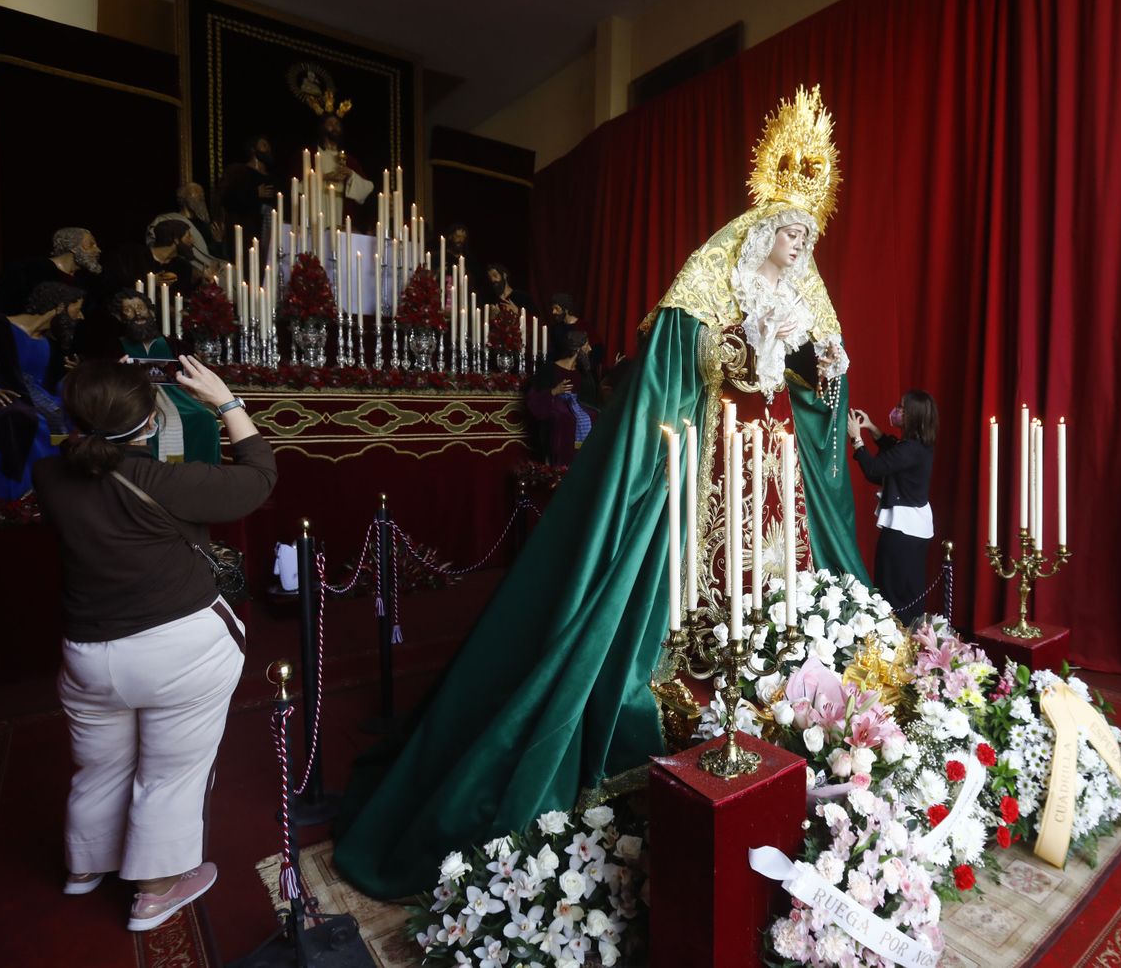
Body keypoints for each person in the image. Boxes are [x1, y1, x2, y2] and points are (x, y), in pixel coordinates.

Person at [334, 86, 867, 898]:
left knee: (780, 565)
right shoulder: (711, 278)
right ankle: (685, 681)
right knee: (681, 581)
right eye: (791, 231)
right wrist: (735, 348)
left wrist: (822, 373)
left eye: (807, 234)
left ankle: (784, 666)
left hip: (774, 462)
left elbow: (817, 379)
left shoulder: (806, 294)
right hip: (711, 459)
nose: (799, 246)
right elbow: (671, 372)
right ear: (764, 228)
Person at [32, 356, 274, 931]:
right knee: (169, 774)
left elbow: (91, 460)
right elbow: (260, 476)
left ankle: (86, 867)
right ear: (150, 421)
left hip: (89, 656)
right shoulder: (168, 481)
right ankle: (157, 889)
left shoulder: (49, 477)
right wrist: (225, 401)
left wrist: (106, 394)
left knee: (98, 767)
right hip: (177, 650)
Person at [0, 282, 83, 498]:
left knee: (79, 415)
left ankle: (62, 495)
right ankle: (12, 497)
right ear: (59, 308)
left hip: (38, 402)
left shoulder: (48, 345)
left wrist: (76, 376)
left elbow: (51, 386)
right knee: (23, 418)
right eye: (77, 310)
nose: (80, 318)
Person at [98, 289, 221, 464]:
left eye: (141, 307)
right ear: (119, 317)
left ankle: (200, 476)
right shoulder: (113, 347)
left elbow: (193, 374)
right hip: (136, 397)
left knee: (205, 418)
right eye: (128, 310)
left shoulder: (176, 345)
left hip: (179, 399)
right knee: (143, 421)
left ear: (151, 312)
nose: (137, 313)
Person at [848, 390, 937, 625]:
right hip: (913, 531)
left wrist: (857, 439)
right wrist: (872, 428)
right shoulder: (918, 446)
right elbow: (894, 450)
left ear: (913, 417)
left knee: (893, 591)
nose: (896, 412)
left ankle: (897, 643)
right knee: (907, 589)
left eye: (902, 408)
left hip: (902, 533)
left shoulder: (910, 450)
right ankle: (906, 641)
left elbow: (875, 469)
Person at [0, 227, 106, 315]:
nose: (98, 250)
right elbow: (5, 306)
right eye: (91, 244)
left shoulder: (83, 284)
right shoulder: (30, 270)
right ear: (73, 247)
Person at [526, 329, 602, 466]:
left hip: (579, 408)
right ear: (577, 349)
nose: (590, 349)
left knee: (595, 416)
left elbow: (592, 400)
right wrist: (554, 391)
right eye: (587, 345)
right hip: (556, 411)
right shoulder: (549, 369)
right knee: (565, 419)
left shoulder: (584, 374)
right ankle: (561, 468)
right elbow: (534, 400)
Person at [148, 184, 226, 277]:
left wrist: (218, 241)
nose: (200, 198)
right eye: (195, 194)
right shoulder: (167, 220)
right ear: (182, 199)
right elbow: (154, 245)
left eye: (202, 195)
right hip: (181, 269)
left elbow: (212, 255)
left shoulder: (205, 226)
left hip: (211, 269)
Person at [314, 112, 375, 230]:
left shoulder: (349, 160)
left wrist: (351, 174)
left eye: (337, 124)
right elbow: (299, 181)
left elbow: (367, 187)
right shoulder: (313, 154)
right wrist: (325, 177)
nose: (334, 127)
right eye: (330, 124)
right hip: (320, 203)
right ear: (322, 128)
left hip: (341, 206)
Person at [217, 135, 278, 246]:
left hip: (271, 232)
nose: (268, 148)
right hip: (247, 234)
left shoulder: (274, 177)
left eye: (268, 145)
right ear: (253, 149)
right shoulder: (237, 172)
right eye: (264, 145)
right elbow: (227, 199)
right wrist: (255, 193)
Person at [124, 220, 200, 297]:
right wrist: (150, 281)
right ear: (176, 239)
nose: (193, 241)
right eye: (188, 236)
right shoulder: (136, 256)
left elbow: (182, 298)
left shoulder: (183, 267)